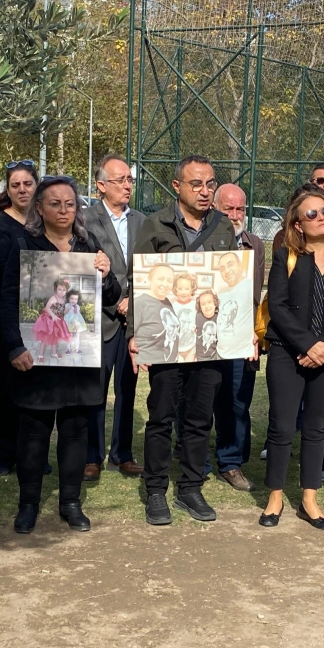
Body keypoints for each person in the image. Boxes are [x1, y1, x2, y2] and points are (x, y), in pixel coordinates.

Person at [0, 176, 120, 533]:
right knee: (34, 433)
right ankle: (28, 505)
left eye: (70, 204)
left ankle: (71, 503)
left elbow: (109, 297)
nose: (64, 210)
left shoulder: (88, 244)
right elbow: (7, 301)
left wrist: (107, 273)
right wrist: (14, 347)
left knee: (75, 432)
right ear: (39, 208)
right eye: (55, 203)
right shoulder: (25, 246)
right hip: (37, 359)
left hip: (78, 359)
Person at [130, 156, 240, 525]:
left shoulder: (224, 226)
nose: (205, 191)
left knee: (198, 418)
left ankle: (191, 488)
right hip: (166, 340)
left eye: (210, 184)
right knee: (161, 416)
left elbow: (231, 284)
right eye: (196, 184)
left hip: (207, 342)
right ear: (177, 186)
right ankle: (156, 490)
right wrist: (136, 335)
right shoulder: (155, 224)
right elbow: (140, 282)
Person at [259, 183, 324, 530]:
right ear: (298, 224)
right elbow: (279, 307)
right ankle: (274, 497)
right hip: (288, 353)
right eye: (312, 213)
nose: (322, 217)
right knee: (282, 426)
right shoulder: (286, 255)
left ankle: (309, 499)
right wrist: (307, 345)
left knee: (317, 428)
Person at [84, 155, 147, 479]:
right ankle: (90, 455)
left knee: (128, 387)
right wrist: (116, 302)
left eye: (130, 180)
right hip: (100, 320)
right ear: (101, 186)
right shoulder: (85, 220)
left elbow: (149, 270)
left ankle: (121, 454)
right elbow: (82, 269)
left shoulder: (141, 221)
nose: (127, 185)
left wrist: (131, 303)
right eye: (120, 180)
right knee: (94, 390)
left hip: (132, 323)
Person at [0, 161, 38, 475]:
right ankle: (0, 453)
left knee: (34, 388)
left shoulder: (44, 222)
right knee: (4, 384)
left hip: (40, 320)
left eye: (27, 184)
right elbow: (2, 271)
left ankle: (31, 453)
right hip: (6, 318)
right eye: (15, 185)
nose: (22, 190)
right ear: (8, 189)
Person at [208, 183, 265, 492]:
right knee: (200, 399)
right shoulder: (201, 240)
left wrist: (253, 333)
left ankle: (231, 463)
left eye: (239, 208)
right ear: (215, 208)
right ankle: (198, 461)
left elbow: (255, 295)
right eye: (227, 208)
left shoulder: (254, 244)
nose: (234, 214)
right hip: (203, 331)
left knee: (237, 400)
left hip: (240, 332)